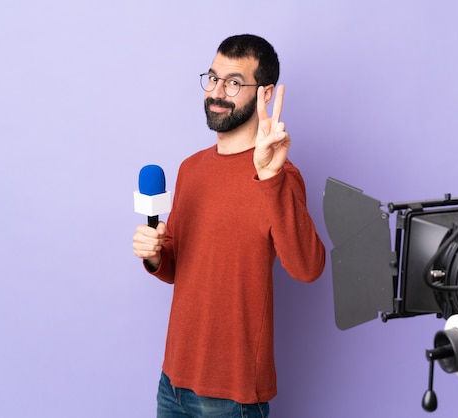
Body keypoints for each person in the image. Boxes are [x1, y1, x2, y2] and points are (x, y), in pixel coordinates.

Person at [133, 34, 326, 418]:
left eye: (234, 82)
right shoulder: (191, 169)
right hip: (172, 382)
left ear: (264, 94)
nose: (217, 92)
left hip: (233, 397)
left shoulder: (280, 176)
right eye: (213, 78)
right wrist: (154, 255)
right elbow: (176, 266)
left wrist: (271, 179)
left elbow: (308, 268)